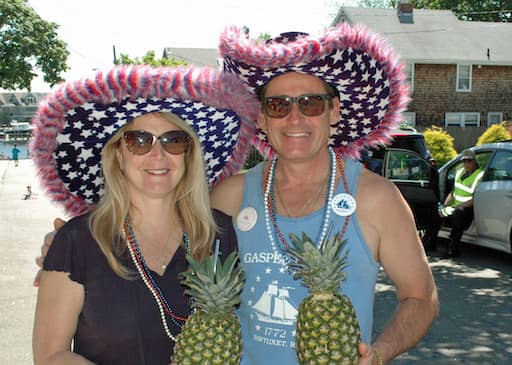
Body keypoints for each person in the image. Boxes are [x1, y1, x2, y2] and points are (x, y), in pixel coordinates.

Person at [212, 23, 439, 364]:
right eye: (278, 105)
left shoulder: (377, 199)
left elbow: (421, 297)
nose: (294, 118)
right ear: (261, 116)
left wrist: (380, 352)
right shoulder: (229, 196)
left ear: (334, 110)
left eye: (311, 104)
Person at [31, 64, 258, 365]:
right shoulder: (77, 242)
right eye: (139, 141)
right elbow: (51, 355)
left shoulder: (221, 236)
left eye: (174, 141)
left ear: (189, 156)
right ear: (118, 155)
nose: (158, 155)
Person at [437, 149, 484, 257]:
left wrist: (459, 206)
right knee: (437, 211)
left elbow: (475, 199)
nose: (466, 164)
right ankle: (430, 243)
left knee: (459, 213)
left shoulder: (479, 175)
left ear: (474, 161)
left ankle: (453, 249)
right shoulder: (459, 172)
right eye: (464, 161)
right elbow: (453, 193)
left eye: (469, 161)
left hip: (469, 209)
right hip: (456, 207)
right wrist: (444, 206)